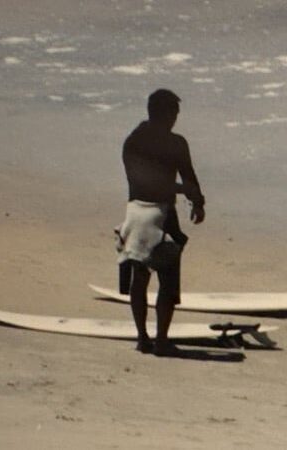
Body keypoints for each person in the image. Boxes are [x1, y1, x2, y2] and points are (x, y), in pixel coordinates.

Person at [118, 89, 205, 356]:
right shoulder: (172, 143)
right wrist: (193, 197)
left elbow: (140, 180)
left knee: (140, 277)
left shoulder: (133, 141)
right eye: (174, 113)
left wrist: (194, 196)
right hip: (160, 215)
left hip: (136, 214)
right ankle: (160, 340)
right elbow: (182, 179)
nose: (176, 119)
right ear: (165, 113)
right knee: (166, 281)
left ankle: (143, 338)